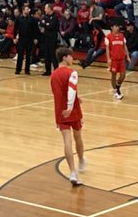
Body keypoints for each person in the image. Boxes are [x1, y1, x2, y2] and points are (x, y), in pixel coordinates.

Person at [50, 46, 87, 188]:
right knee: (78, 136)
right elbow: (71, 91)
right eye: (71, 56)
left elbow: (57, 92)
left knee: (67, 140)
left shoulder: (53, 74)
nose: (72, 58)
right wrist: (71, 106)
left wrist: (77, 97)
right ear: (65, 57)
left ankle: (72, 172)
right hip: (72, 110)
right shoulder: (72, 72)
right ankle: (81, 160)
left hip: (60, 110)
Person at [106, 22, 128, 101]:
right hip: (114, 59)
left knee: (123, 75)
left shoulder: (122, 36)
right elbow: (107, 49)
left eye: (118, 26)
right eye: (116, 26)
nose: (117, 28)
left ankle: (118, 86)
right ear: (112, 27)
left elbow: (125, 46)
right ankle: (116, 92)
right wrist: (108, 59)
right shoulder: (108, 37)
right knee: (113, 75)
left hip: (121, 59)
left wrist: (128, 56)